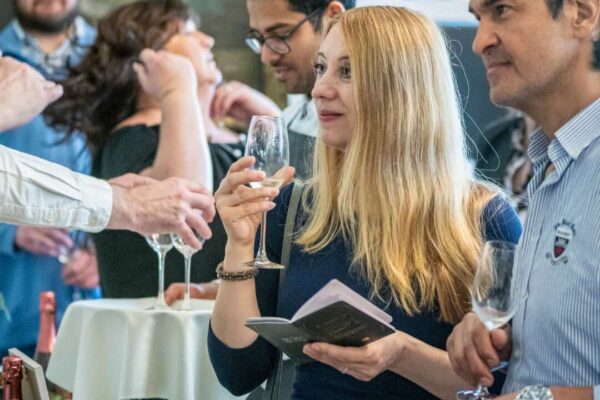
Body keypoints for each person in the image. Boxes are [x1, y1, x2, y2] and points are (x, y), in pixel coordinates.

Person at [208, 7, 522, 400]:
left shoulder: (483, 218)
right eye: (321, 68)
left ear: (403, 90)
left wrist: (400, 355)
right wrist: (237, 246)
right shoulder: (293, 208)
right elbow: (237, 372)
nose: (319, 89)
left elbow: (510, 386)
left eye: (347, 71)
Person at [46, 0, 278, 299]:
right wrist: (176, 91)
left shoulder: (234, 133)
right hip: (170, 333)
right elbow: (185, 211)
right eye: (189, 32)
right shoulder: (133, 139)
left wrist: (271, 122)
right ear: (151, 57)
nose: (207, 40)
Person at [446, 0, 600, 398]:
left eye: (502, 10)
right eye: (477, 18)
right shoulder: (554, 159)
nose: (480, 42)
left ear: (582, 14)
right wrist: (507, 332)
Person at [0, 0, 101, 357]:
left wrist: (109, 253)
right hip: (11, 302)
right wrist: (9, 230)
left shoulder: (114, 58)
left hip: (97, 310)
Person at [212, 0, 354, 180]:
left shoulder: (363, 129)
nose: (266, 57)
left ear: (332, 17)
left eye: (280, 35)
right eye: (259, 38)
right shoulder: (291, 117)